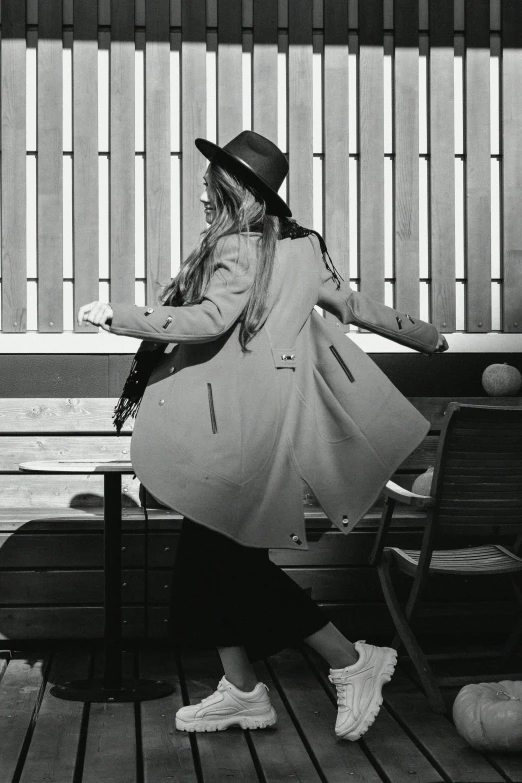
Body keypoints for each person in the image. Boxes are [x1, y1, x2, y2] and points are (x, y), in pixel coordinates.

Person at [78, 130, 448, 741]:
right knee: (207, 560)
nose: (202, 195)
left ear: (237, 190)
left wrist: (119, 315)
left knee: (231, 567)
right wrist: (428, 336)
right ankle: (243, 691)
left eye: (209, 185)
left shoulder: (235, 249)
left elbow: (212, 317)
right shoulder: (298, 248)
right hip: (254, 426)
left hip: (232, 434)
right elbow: (353, 306)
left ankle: (352, 660)